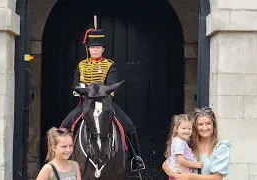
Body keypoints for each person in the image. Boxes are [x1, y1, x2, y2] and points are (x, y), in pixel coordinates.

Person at [60, 28, 145, 171]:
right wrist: (78, 90)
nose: (95, 50)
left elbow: (111, 85)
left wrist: (100, 92)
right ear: (88, 49)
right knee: (64, 126)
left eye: (98, 47)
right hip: (86, 103)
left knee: (129, 125)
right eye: (92, 47)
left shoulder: (109, 65)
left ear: (103, 49)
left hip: (104, 103)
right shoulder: (82, 65)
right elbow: (75, 85)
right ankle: (61, 158)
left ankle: (136, 159)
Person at [162, 107, 231, 180]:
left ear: (213, 125)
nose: (204, 128)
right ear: (194, 127)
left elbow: (217, 178)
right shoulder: (187, 144)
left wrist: (189, 176)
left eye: (208, 123)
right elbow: (165, 165)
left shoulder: (221, 147)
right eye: (200, 124)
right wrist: (177, 175)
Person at [164, 114, 204, 180]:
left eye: (189, 128)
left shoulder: (181, 140)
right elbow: (181, 160)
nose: (187, 131)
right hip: (179, 175)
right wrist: (195, 165)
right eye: (183, 128)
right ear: (176, 129)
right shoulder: (179, 142)